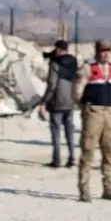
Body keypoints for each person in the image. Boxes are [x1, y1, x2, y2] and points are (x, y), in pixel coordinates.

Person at [73, 39, 111, 203]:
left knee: (109, 152)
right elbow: (77, 90)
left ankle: (108, 188)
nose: (106, 53)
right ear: (97, 51)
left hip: (109, 113)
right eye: (103, 50)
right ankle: (84, 189)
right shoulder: (88, 67)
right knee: (88, 152)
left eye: (108, 50)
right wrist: (84, 107)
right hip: (94, 112)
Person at [39, 39, 79, 167]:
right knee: (69, 131)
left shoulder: (55, 64)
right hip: (70, 101)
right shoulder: (74, 61)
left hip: (57, 101)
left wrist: (44, 101)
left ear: (58, 49)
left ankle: (56, 160)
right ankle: (72, 157)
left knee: (56, 131)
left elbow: (52, 85)